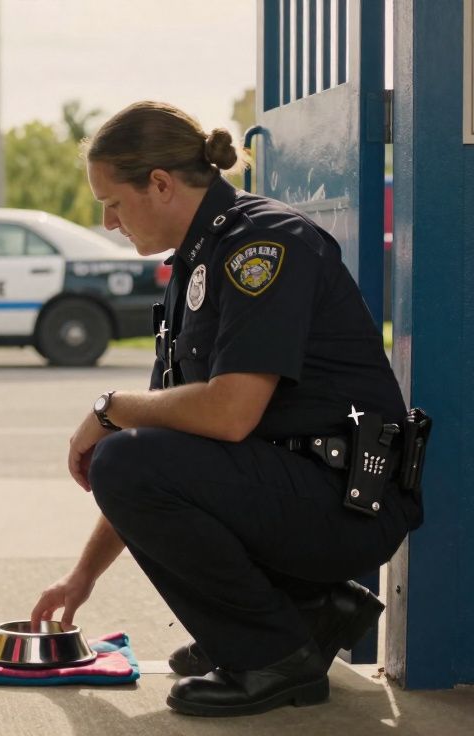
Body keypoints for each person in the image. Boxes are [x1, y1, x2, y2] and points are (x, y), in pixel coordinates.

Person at [29, 101, 422, 717]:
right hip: (301, 488)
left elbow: (229, 414)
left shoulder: (262, 245)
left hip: (346, 505)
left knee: (123, 452)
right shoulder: (198, 259)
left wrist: (109, 409)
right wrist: (82, 578)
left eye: (112, 202)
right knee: (126, 454)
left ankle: (271, 656)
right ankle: (305, 615)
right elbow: (156, 459)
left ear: (160, 184)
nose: (107, 221)